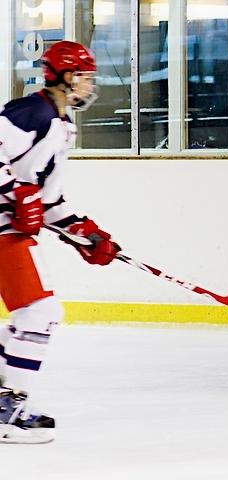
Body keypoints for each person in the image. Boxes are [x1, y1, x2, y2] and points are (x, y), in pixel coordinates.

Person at [0, 41, 120, 444]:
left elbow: (47, 201)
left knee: (34, 314)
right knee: (39, 313)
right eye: (84, 76)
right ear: (65, 77)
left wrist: (85, 234)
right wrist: (17, 191)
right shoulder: (30, 112)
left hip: (11, 231)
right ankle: (5, 410)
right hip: (4, 228)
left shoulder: (62, 126)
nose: (89, 84)